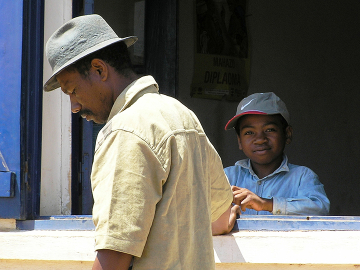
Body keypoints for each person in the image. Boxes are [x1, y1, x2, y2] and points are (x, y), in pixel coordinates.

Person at [43, 14, 238, 270]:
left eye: (72, 91)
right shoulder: (182, 115)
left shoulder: (125, 132)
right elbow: (221, 217)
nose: (74, 106)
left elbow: (114, 257)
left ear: (100, 70)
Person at [224, 92, 330, 216]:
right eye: (249, 132)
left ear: (287, 134)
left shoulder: (302, 177)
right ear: (239, 141)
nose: (260, 139)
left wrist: (266, 204)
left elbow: (320, 209)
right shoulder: (227, 177)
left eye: (269, 130)